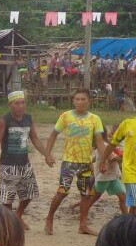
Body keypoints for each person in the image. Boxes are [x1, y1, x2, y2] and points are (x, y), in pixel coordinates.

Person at [43, 89, 105, 236]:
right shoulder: (66, 116)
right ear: (73, 101)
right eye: (77, 99)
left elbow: (100, 142)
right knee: (62, 191)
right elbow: (53, 135)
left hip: (86, 163)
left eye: (83, 99)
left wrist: (104, 160)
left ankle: (83, 225)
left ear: (89, 101)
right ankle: (49, 218)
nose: (79, 102)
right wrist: (48, 154)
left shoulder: (95, 119)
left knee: (86, 194)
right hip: (69, 162)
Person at [0, 91, 46, 227]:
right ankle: (10, 222)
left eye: (22, 103)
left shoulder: (28, 118)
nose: (20, 106)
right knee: (7, 197)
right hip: (8, 164)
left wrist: (47, 154)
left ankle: (18, 216)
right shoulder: (4, 121)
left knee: (30, 193)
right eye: (17, 103)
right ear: (10, 105)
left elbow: (34, 137)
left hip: (24, 163)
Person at [93, 128, 127, 215]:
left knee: (123, 196)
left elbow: (96, 158)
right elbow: (113, 158)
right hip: (105, 177)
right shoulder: (104, 145)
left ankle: (126, 217)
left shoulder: (105, 144)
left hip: (112, 176)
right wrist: (127, 156)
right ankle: (81, 207)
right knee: (93, 197)